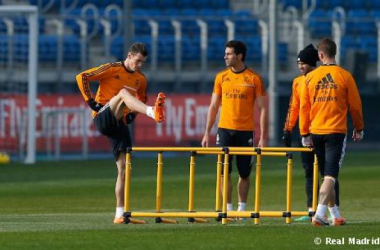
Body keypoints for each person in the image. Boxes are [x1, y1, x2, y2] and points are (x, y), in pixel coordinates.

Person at [76, 42, 166, 224]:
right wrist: (90, 101)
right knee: (124, 94)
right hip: (103, 116)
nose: (140, 65)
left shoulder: (141, 79)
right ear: (129, 55)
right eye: (138, 61)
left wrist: (133, 114)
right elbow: (82, 76)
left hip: (119, 124)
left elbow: (142, 98)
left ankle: (119, 214)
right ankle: (152, 113)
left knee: (124, 170)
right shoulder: (112, 68)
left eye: (143, 62)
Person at [299, 37, 364, 226]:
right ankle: (320, 213)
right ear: (334, 53)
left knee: (326, 174)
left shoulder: (310, 78)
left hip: (316, 131)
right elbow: (356, 106)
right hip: (335, 131)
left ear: (320, 55)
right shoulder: (344, 76)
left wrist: (304, 133)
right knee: (330, 175)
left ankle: (335, 214)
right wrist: (359, 128)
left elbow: (304, 107)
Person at [201, 40, 267, 216]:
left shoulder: (254, 78)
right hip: (224, 130)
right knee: (224, 171)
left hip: (245, 131)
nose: (225, 56)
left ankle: (242, 209)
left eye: (229, 54)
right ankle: (228, 209)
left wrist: (263, 137)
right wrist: (207, 132)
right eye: (225, 53)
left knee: (244, 173)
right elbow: (213, 106)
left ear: (239, 56)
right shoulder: (221, 77)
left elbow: (262, 109)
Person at [282, 44, 340, 222]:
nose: (300, 67)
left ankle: (333, 210)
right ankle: (311, 209)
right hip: (305, 132)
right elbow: (295, 107)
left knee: (327, 173)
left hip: (321, 130)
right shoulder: (297, 82)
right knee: (308, 171)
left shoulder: (320, 78)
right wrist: (288, 128)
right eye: (298, 63)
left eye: (304, 63)